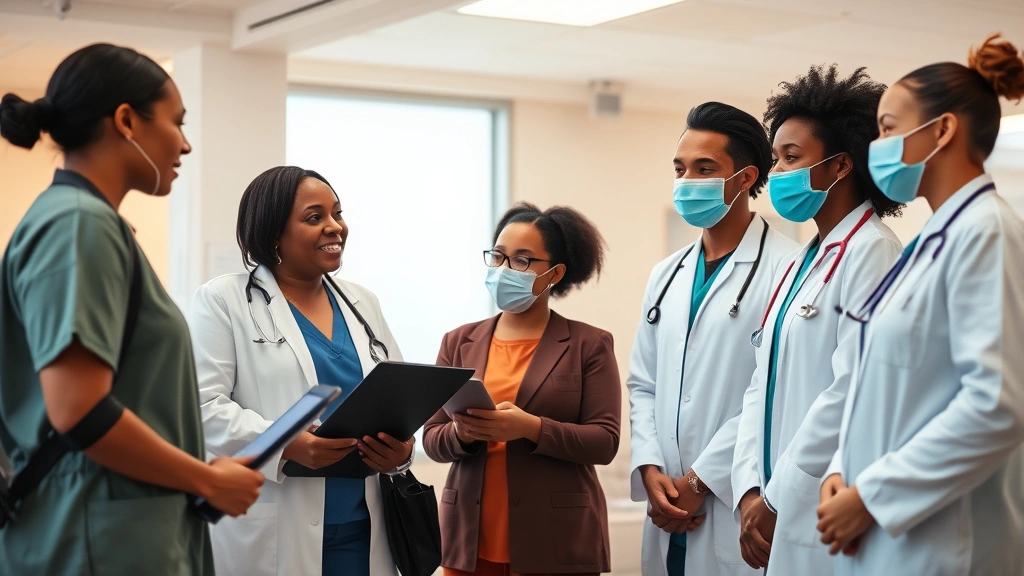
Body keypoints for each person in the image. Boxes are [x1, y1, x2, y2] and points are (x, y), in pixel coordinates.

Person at [0, 44, 262, 575]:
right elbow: (79, 409)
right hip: (92, 537)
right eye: (176, 123)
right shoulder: (77, 225)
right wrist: (204, 479)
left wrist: (197, 469)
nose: (185, 145)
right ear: (125, 120)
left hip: (115, 527)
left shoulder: (92, 225)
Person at [816, 34, 1024, 576]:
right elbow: (882, 388)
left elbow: (997, 405)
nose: (876, 145)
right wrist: (842, 469)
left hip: (946, 546)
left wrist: (872, 496)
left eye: (888, 128)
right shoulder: (932, 240)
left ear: (943, 130)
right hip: (885, 539)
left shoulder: (987, 232)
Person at [189, 166, 414, 576]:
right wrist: (285, 442)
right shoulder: (224, 300)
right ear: (274, 233)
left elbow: (397, 397)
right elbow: (200, 408)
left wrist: (400, 453)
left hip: (364, 528)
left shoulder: (363, 303)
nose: (335, 228)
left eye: (337, 214)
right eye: (315, 218)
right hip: (275, 525)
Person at [730, 65, 903, 576]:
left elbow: (850, 388)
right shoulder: (802, 259)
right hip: (768, 503)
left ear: (840, 166)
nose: (776, 174)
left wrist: (781, 494)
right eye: (775, 159)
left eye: (791, 159)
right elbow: (760, 383)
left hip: (816, 503)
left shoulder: (873, 253)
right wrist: (747, 490)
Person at [628, 102, 798, 576]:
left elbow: (771, 394)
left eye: (705, 169)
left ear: (745, 179)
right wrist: (649, 469)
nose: (687, 181)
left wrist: (700, 480)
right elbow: (643, 384)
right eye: (680, 169)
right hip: (666, 502)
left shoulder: (788, 268)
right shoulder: (666, 275)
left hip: (732, 498)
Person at [423, 203, 620, 576]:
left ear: (555, 274)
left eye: (522, 261)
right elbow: (432, 438)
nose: (503, 270)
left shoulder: (588, 344)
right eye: (497, 257)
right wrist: (461, 434)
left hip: (554, 540)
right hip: (468, 538)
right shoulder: (458, 341)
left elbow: (604, 441)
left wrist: (531, 428)